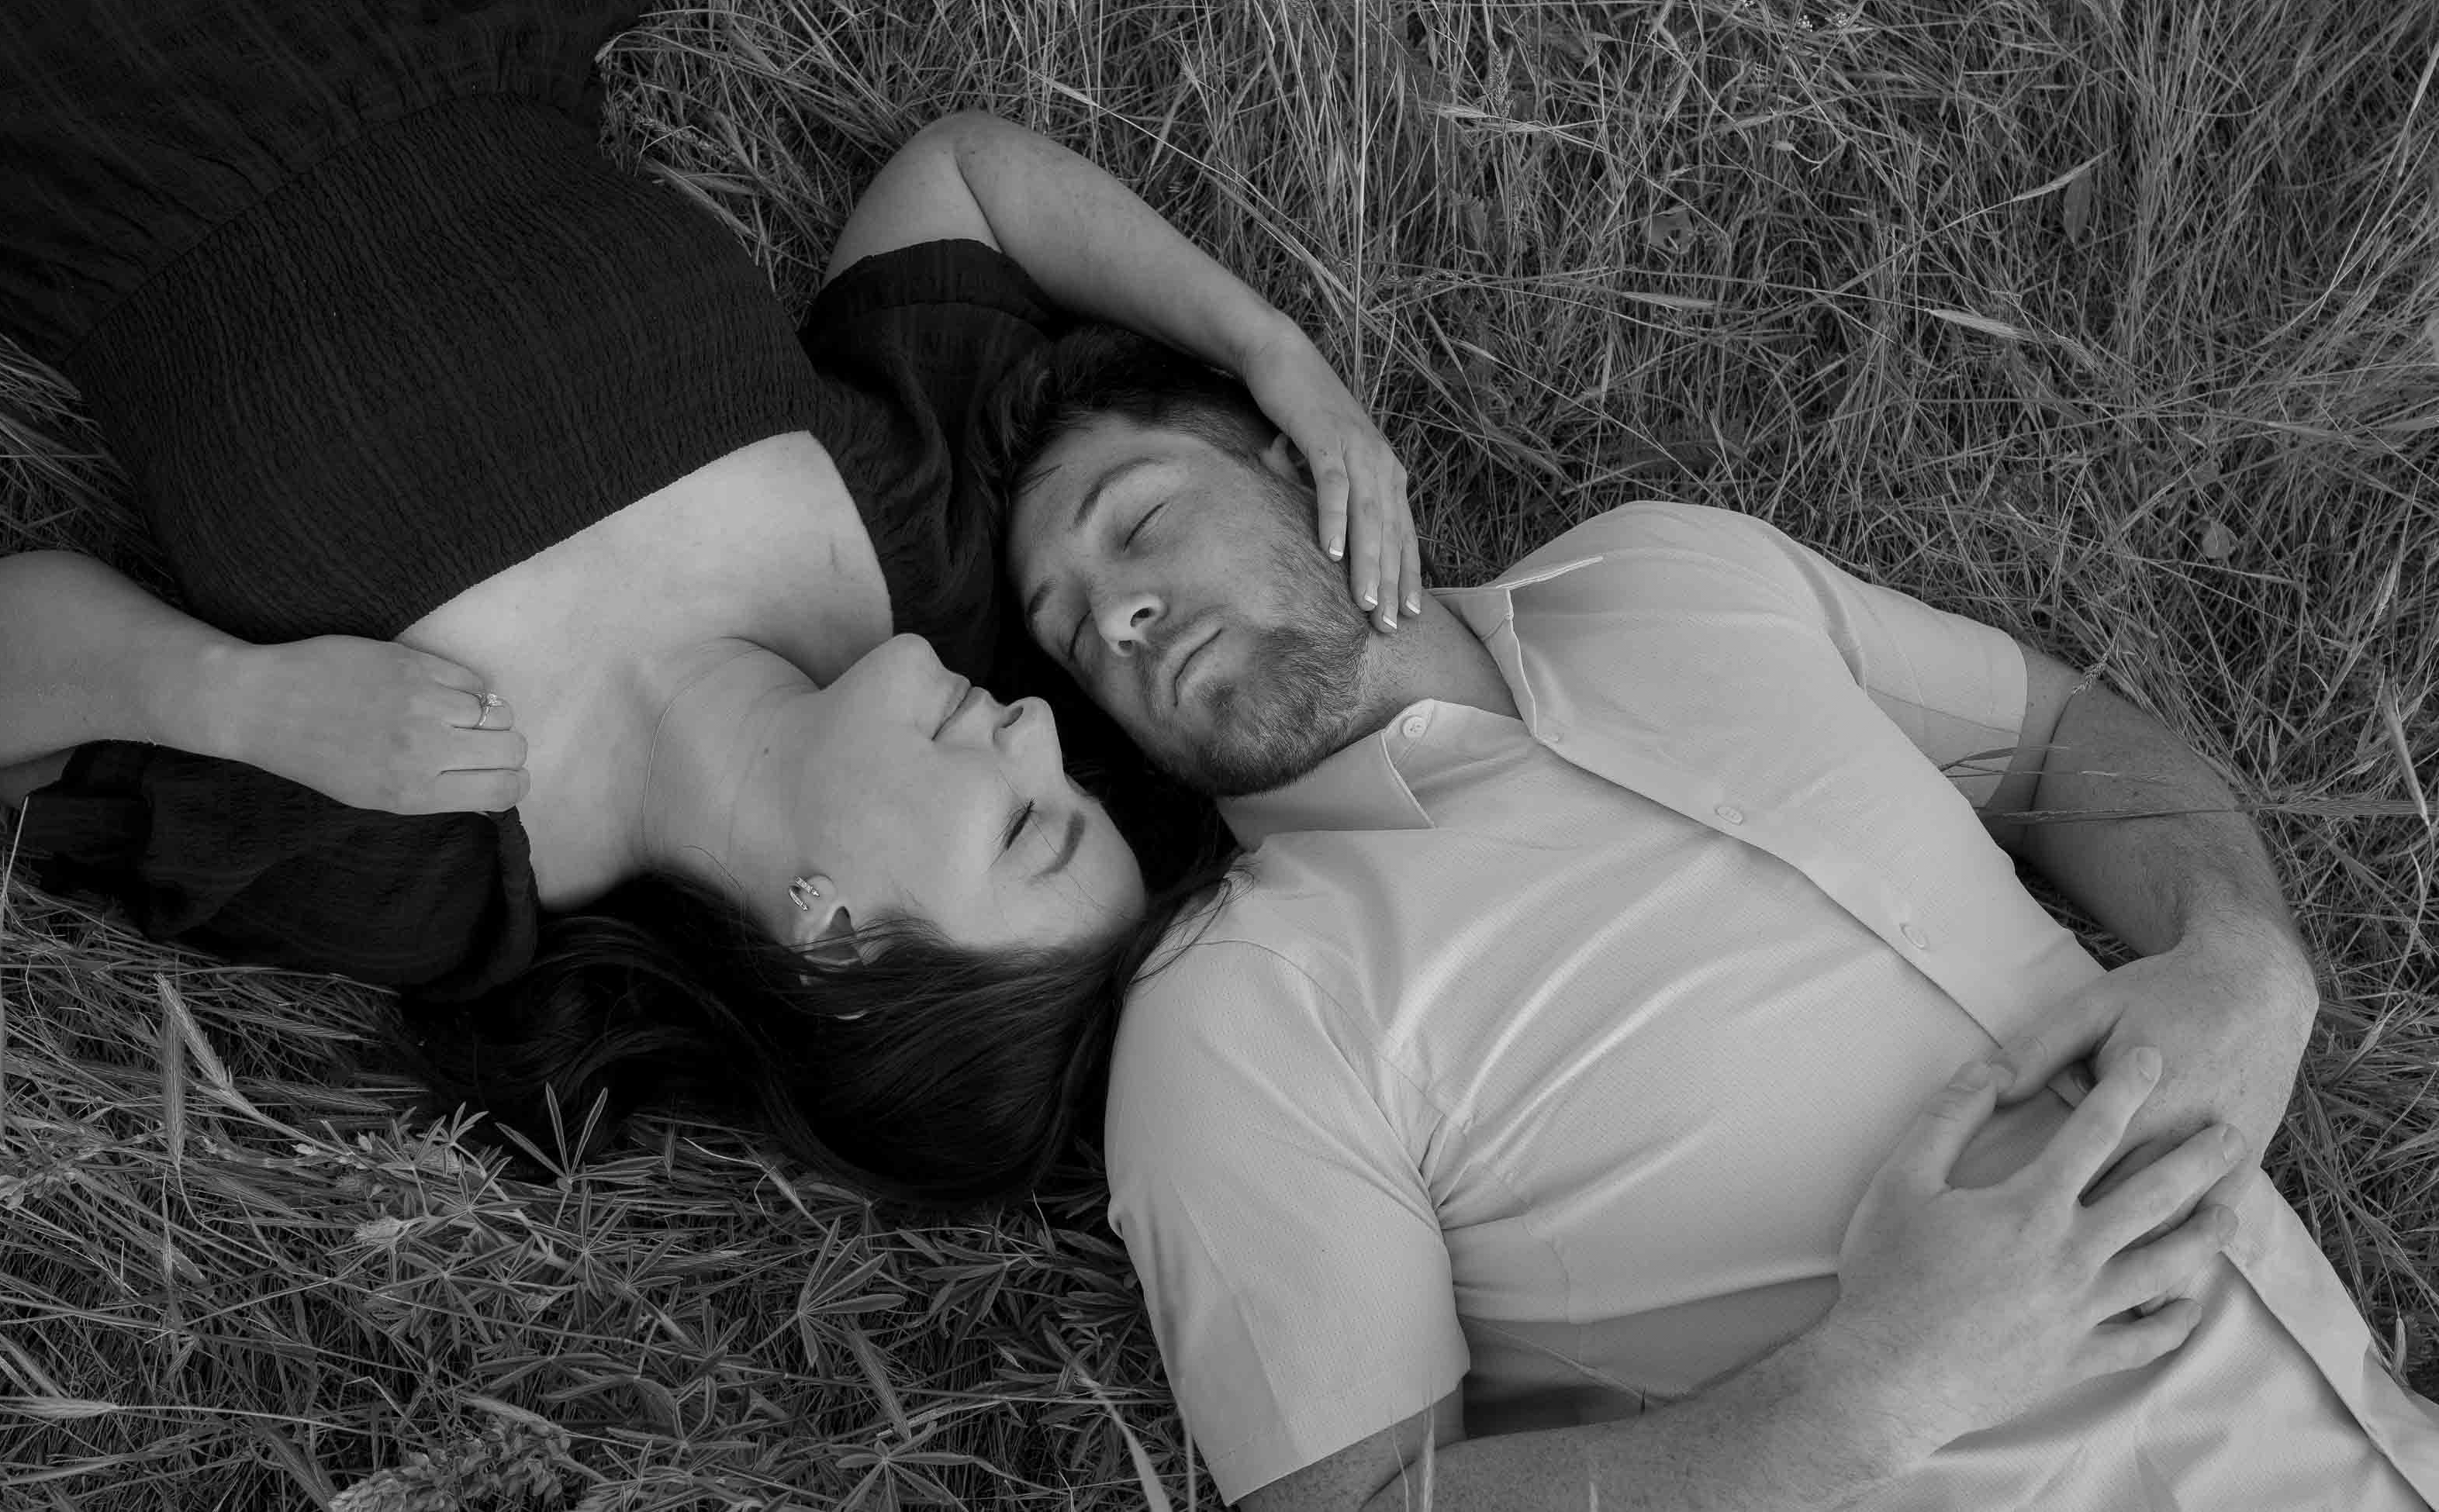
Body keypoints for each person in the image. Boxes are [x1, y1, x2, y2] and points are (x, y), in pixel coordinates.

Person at [0, 0, 1414, 1201]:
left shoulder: (437, 862)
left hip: (56, 30)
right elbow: (963, 181)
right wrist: (1274, 353)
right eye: (1077, 787)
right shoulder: (917, 567)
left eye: (1026, 827)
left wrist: (233, 700)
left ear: (835, 938)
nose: (1039, 728)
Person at [985, 324, 2439, 1507]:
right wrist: (1867, 1394)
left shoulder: (1666, 570)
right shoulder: (1236, 1007)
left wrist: (2245, 949)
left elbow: (2054, 742)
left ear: (1297, 458)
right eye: (1069, 631)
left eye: (1143, 522)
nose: (1118, 616)